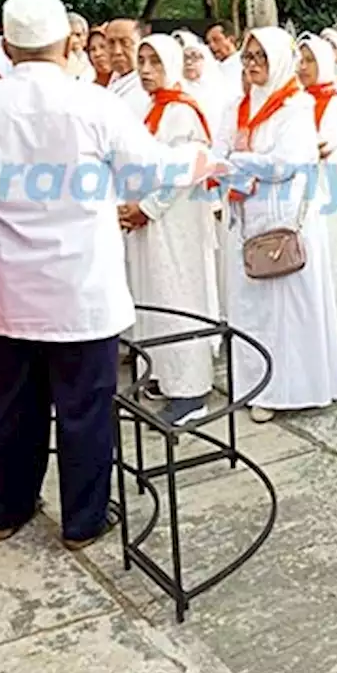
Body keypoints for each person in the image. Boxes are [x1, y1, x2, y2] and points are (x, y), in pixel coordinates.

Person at [0, 0, 218, 549]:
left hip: (13, 293)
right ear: (69, 42)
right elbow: (147, 170)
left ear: (6, 43)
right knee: (85, 412)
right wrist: (197, 160)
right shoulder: (93, 104)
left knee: (8, 410)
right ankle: (83, 521)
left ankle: (5, 512)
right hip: (80, 291)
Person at [221, 28, 337, 422]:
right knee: (251, 305)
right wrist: (235, 167)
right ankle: (255, 385)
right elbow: (217, 154)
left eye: (261, 56)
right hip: (246, 218)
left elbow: (288, 162)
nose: (253, 64)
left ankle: (287, 391)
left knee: (287, 306)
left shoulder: (297, 105)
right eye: (248, 56)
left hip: (285, 219)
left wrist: (238, 162)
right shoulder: (237, 107)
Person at [122, 34, 220, 425]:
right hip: (155, 222)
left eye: (155, 62)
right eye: (141, 61)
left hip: (176, 221)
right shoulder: (152, 108)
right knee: (157, 293)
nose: (145, 70)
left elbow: (189, 169)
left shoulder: (182, 111)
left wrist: (147, 206)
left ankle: (191, 389)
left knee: (180, 296)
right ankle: (166, 375)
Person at [298, 36, 337, 341]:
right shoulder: (297, 98)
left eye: (310, 60)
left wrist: (287, 148)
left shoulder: (335, 100)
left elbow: (324, 143)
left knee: (332, 247)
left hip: (326, 182)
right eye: (300, 60)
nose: (303, 67)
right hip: (302, 182)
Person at [206, 20, 244, 93]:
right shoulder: (209, 67)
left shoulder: (245, 64)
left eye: (216, 40)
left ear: (231, 40)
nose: (211, 45)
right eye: (209, 42)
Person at [66, 12, 95, 82]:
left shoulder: (91, 65)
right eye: (69, 35)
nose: (74, 40)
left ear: (85, 37)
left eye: (78, 35)